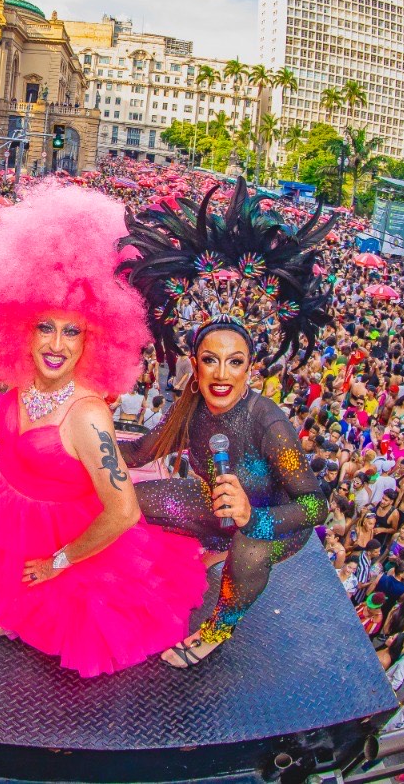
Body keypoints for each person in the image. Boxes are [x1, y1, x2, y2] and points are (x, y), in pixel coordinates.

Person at [0, 168, 206, 677]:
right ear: (22, 325)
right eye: (45, 326)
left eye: (73, 332)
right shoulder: (23, 373)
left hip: (61, 533)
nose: (55, 344)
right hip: (2, 501)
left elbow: (123, 512)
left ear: (96, 338)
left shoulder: (88, 417)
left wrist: (59, 562)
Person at [117, 178, 337, 667]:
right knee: (125, 501)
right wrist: (89, 437)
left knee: (250, 550)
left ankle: (218, 628)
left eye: (234, 362)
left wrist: (251, 518)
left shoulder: (267, 420)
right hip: (213, 511)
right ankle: (210, 549)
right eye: (211, 360)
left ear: (250, 368)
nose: (221, 373)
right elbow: (138, 454)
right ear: (193, 365)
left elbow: (314, 506)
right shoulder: (190, 407)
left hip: (273, 523)